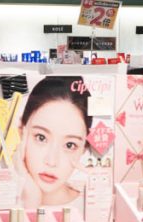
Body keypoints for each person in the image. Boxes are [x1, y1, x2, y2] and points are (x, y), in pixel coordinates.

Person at [16, 76, 90, 208]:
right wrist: (30, 198)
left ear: (83, 149)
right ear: (21, 131)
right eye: (41, 137)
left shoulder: (91, 206)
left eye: (70, 145)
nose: (51, 161)